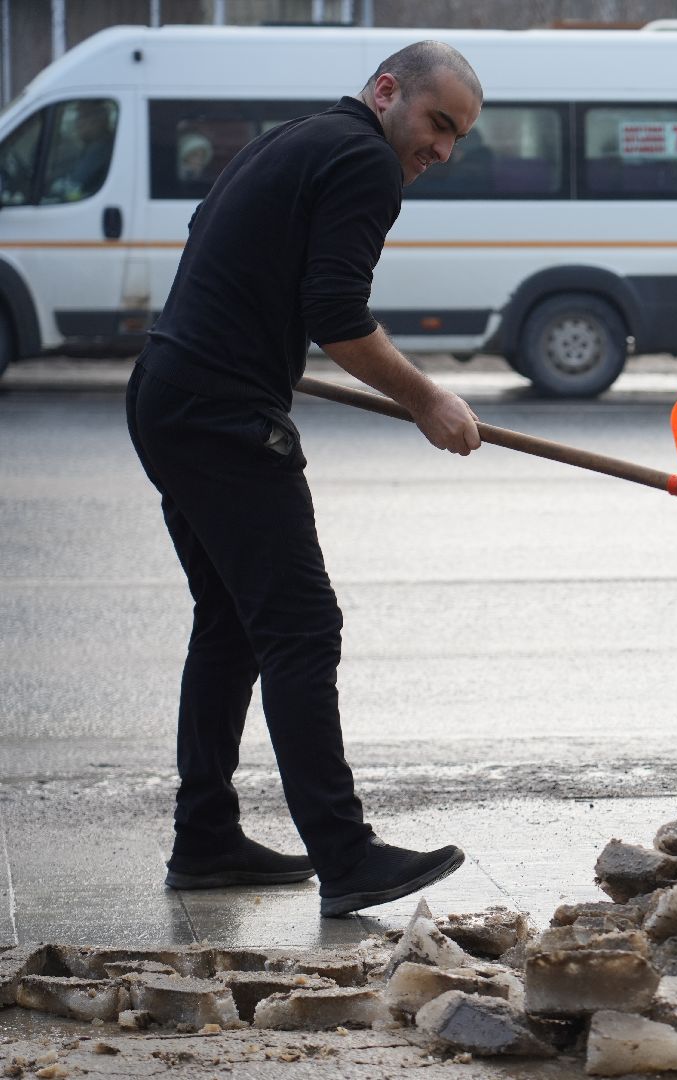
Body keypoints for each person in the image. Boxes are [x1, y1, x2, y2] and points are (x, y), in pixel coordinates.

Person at [126, 41, 485, 918]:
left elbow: (226, 250)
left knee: (233, 626)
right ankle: (348, 855)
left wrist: (257, 342)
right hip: (220, 415)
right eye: (438, 124)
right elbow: (336, 313)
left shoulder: (294, 138)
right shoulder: (366, 160)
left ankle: (205, 840)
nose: (441, 150)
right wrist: (428, 398)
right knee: (299, 627)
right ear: (387, 91)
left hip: (169, 392)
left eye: (458, 137)